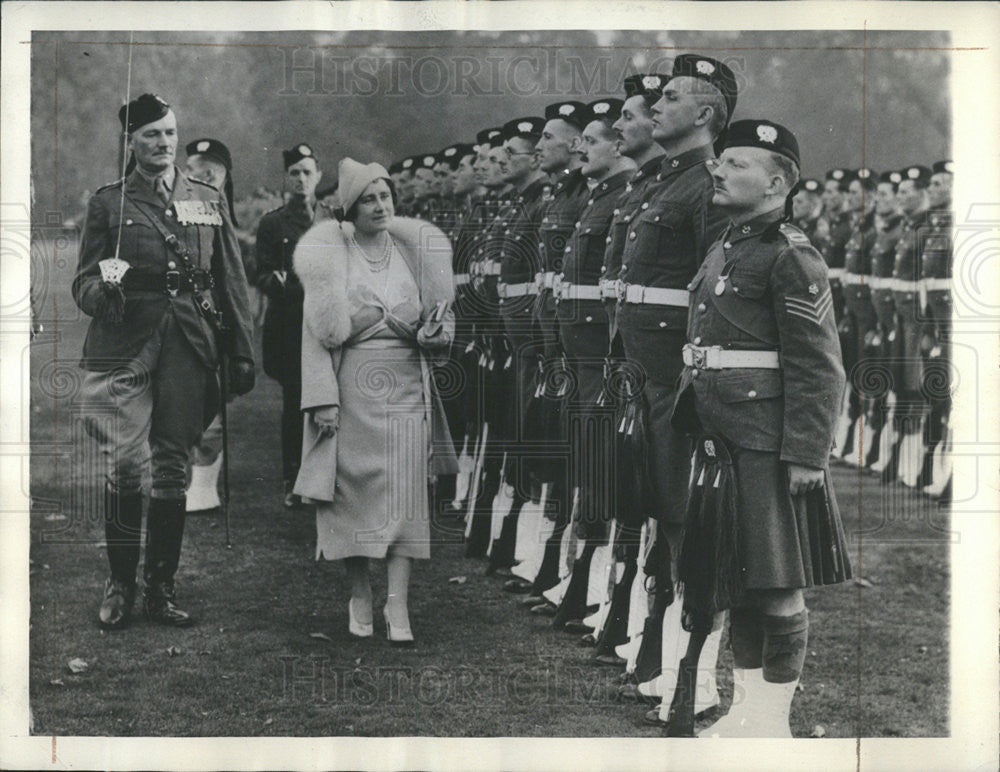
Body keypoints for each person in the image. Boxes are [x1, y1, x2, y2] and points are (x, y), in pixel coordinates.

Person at [666, 119, 851, 738]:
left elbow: (819, 365)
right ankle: (746, 713)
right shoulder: (730, 243)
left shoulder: (790, 254)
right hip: (721, 438)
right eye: (721, 161)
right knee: (738, 580)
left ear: (776, 183)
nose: (718, 169)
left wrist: (807, 453)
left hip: (766, 443)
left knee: (776, 587)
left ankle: (771, 723)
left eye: (737, 163)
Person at [73, 93, 255, 629]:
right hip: (126, 339)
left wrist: (241, 351)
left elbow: (231, 277)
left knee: (173, 465)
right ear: (131, 142)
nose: (164, 144)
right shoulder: (109, 203)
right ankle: (120, 584)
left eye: (170, 133)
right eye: (151, 135)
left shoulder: (203, 195)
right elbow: (84, 279)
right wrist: (102, 292)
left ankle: (160, 589)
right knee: (128, 464)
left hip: (188, 340)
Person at [612, 54, 735, 709]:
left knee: (689, 527)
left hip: (680, 388)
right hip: (646, 381)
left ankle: (699, 675)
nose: (656, 105)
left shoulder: (708, 186)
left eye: (671, 98)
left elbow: (714, 296)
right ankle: (657, 654)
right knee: (659, 515)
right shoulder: (665, 183)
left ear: (705, 114)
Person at [292, 159, 457, 644]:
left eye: (385, 196)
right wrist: (323, 400)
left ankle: (398, 602)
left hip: (406, 387)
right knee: (352, 496)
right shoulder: (331, 253)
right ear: (349, 207)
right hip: (352, 390)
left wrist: (433, 334)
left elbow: (442, 323)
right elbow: (316, 336)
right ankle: (360, 592)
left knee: (405, 495)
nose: (380, 206)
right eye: (369, 198)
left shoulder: (415, 249)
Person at [550, 98, 636, 630]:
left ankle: (602, 596)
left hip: (604, 358)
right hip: (582, 355)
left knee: (607, 481)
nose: (582, 147)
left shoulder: (620, 197)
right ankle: (583, 585)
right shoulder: (598, 198)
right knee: (589, 472)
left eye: (594, 139)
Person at [182, 137, 248, 513]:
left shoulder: (216, 207)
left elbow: (233, 281)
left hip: (213, 322)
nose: (195, 177)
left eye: (204, 171)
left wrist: (240, 344)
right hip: (181, 320)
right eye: (192, 170)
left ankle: (204, 486)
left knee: (213, 403)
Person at [256, 143, 322, 507]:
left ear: (319, 176)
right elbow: (263, 275)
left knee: (328, 402)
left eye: (307, 172)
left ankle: (324, 476)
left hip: (326, 325)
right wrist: (293, 285)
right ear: (286, 178)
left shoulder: (332, 220)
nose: (301, 180)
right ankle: (293, 477)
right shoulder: (272, 223)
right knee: (295, 402)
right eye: (294, 173)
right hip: (289, 327)